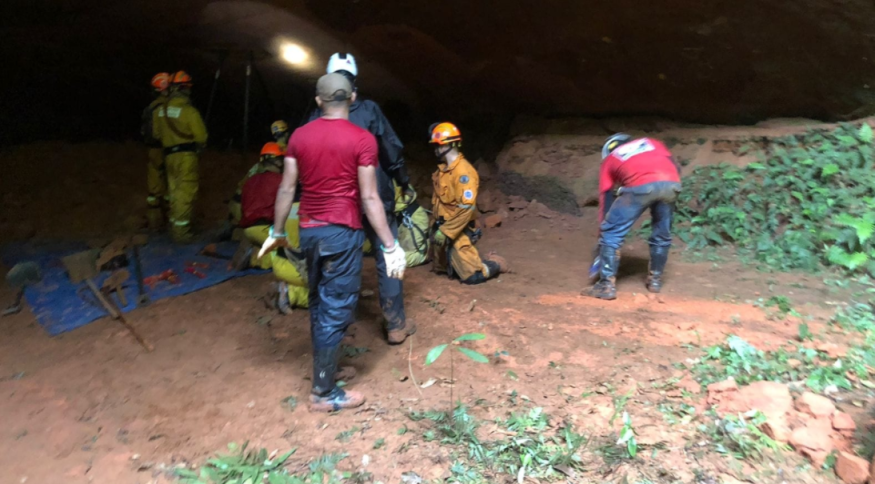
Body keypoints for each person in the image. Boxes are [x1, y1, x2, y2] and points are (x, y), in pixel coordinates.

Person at [259, 73, 406, 413]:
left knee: (318, 300)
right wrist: (389, 244)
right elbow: (370, 197)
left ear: (318, 101)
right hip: (342, 232)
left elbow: (286, 189)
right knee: (336, 306)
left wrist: (277, 232)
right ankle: (323, 392)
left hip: (308, 230)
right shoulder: (363, 139)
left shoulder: (298, 136)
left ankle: (328, 368)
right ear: (353, 98)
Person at [308, 53, 415, 345]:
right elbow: (390, 149)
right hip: (375, 196)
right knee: (387, 253)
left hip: (337, 202)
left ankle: (339, 331)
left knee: (341, 260)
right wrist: (403, 181)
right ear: (354, 84)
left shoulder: (317, 117)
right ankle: (395, 325)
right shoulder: (369, 110)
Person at [589, 134, 682, 300]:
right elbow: (675, 166)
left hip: (640, 185)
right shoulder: (652, 142)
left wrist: (602, 232)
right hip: (671, 183)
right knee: (662, 233)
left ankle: (606, 286)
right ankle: (655, 281)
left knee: (611, 234)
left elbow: (606, 197)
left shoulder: (611, 159)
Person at [429, 123, 508, 284]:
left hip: (456, 228)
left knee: (472, 276)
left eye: (439, 144)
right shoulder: (443, 171)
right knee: (440, 268)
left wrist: (446, 231)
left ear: (451, 144)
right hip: (441, 226)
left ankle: (496, 263)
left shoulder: (464, 172)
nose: (436, 148)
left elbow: (466, 208)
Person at [238, 142, 309, 311]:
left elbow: (238, 205)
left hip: (249, 231)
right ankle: (290, 292)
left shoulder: (250, 180)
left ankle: (255, 255)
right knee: (331, 293)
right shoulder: (309, 209)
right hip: (293, 266)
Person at [152, 71, 208, 243]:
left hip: (169, 156)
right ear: (184, 88)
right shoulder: (189, 112)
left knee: (174, 192)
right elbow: (201, 137)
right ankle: (181, 234)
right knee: (185, 193)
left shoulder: (159, 111)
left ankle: (174, 227)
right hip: (186, 157)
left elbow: (156, 134)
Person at [229, 142, 284, 228]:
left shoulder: (249, 181)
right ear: (278, 162)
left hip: (247, 228)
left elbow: (237, 204)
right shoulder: (281, 180)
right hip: (267, 227)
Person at [142, 72, 171, 231]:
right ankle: (168, 221)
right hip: (165, 148)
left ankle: (154, 224)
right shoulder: (167, 107)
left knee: (154, 186)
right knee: (169, 183)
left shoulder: (151, 107)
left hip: (152, 149)